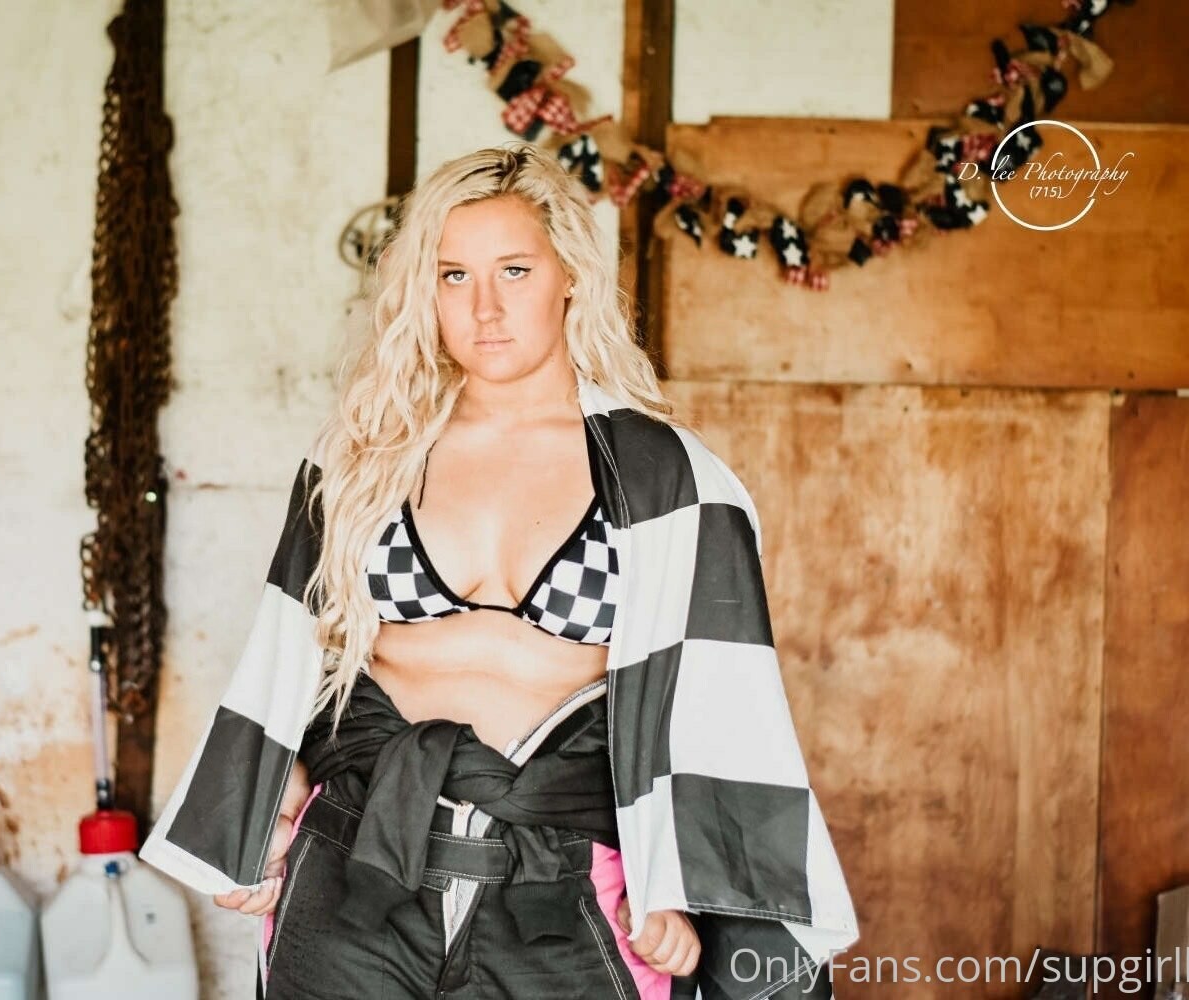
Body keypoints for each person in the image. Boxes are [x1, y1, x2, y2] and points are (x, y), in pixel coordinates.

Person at [140, 143, 859, 1000]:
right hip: (355, 861)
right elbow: (292, 656)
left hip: (561, 878)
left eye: (515, 270)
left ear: (570, 277)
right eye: (454, 276)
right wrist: (272, 805)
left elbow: (721, 695)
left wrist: (675, 882)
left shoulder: (665, 476)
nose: (485, 308)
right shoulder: (364, 458)